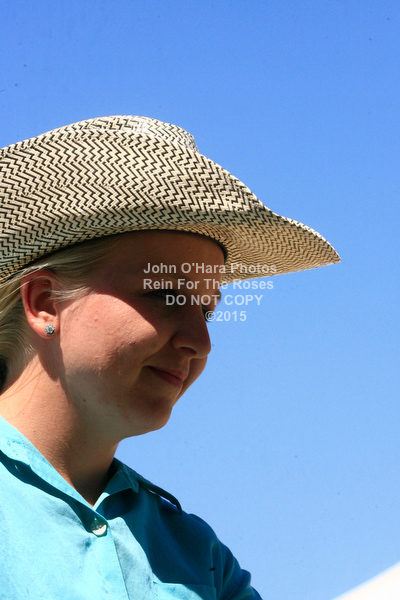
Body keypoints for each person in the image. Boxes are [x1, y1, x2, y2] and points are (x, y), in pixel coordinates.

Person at [0, 116, 340, 599]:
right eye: (164, 295)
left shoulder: (200, 557)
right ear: (45, 303)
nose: (201, 341)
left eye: (207, 309)